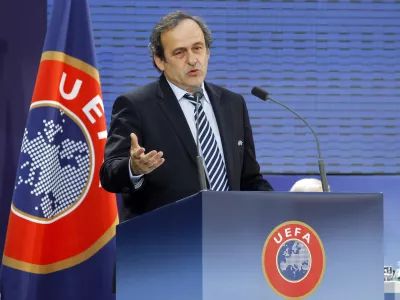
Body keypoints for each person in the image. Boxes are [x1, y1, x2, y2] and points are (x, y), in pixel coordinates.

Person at [100, 11, 273, 221]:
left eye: (197, 48)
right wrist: (133, 167)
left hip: (227, 237)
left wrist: (281, 208)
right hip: (164, 240)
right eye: (180, 53)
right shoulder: (136, 105)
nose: (192, 60)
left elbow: (249, 179)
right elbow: (109, 175)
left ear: (208, 52)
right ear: (160, 61)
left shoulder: (233, 104)